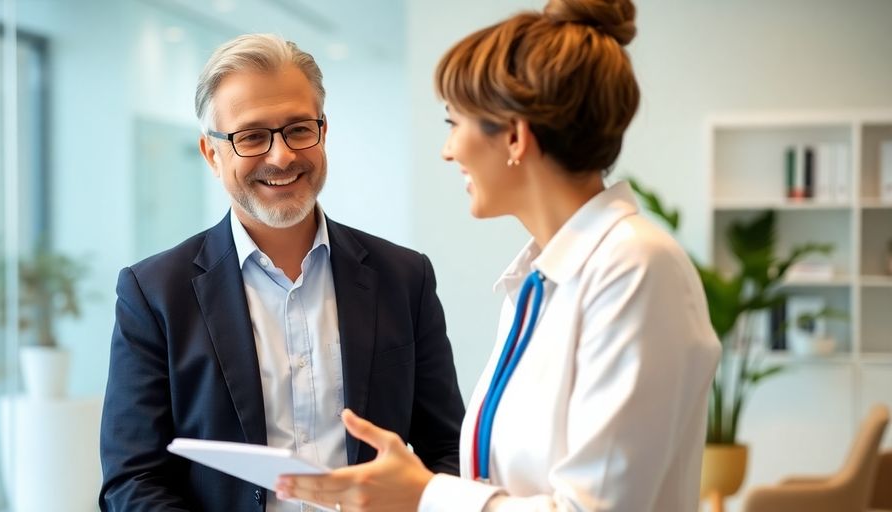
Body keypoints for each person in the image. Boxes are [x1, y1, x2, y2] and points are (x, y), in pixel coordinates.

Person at [276, 1, 721, 510]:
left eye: (454, 123)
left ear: (513, 135)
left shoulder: (636, 269)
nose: (447, 150)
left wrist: (424, 493)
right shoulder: (539, 281)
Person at [98, 34, 466, 512]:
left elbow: (449, 450)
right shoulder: (153, 293)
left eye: (298, 129)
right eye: (252, 136)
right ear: (212, 155)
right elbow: (133, 480)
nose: (282, 156)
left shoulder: (405, 277)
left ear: (323, 132)